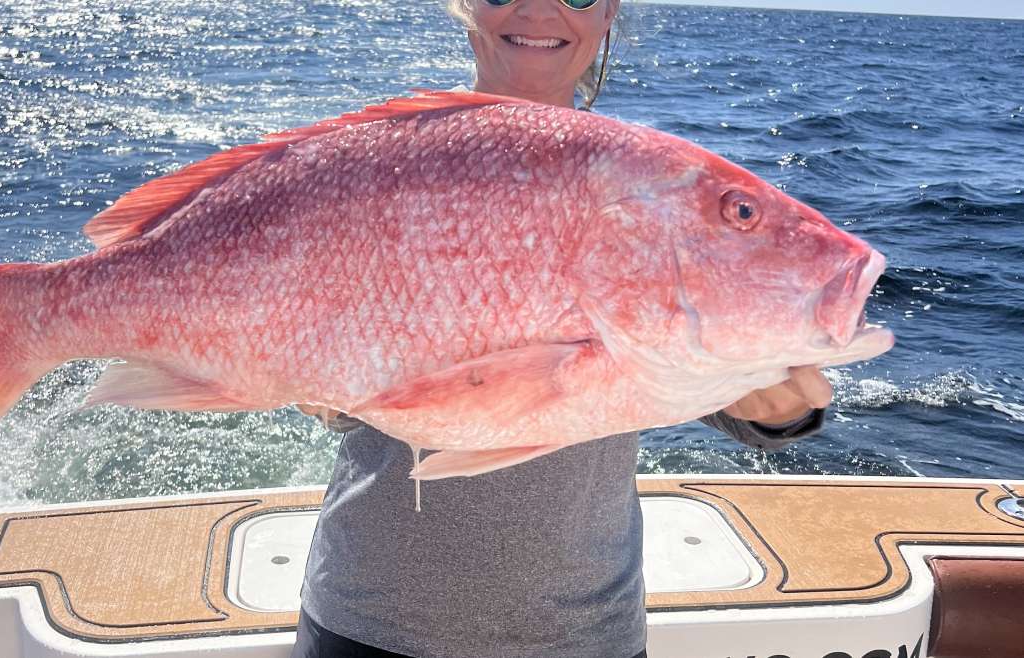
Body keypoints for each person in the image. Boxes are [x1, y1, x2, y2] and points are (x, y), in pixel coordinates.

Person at [291, 1, 833, 656]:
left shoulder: (653, 188)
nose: (539, 8)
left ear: (609, 13)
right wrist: (315, 382)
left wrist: (777, 406)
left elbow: (711, 383)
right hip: (367, 617)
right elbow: (315, 372)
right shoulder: (374, 164)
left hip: (582, 632)